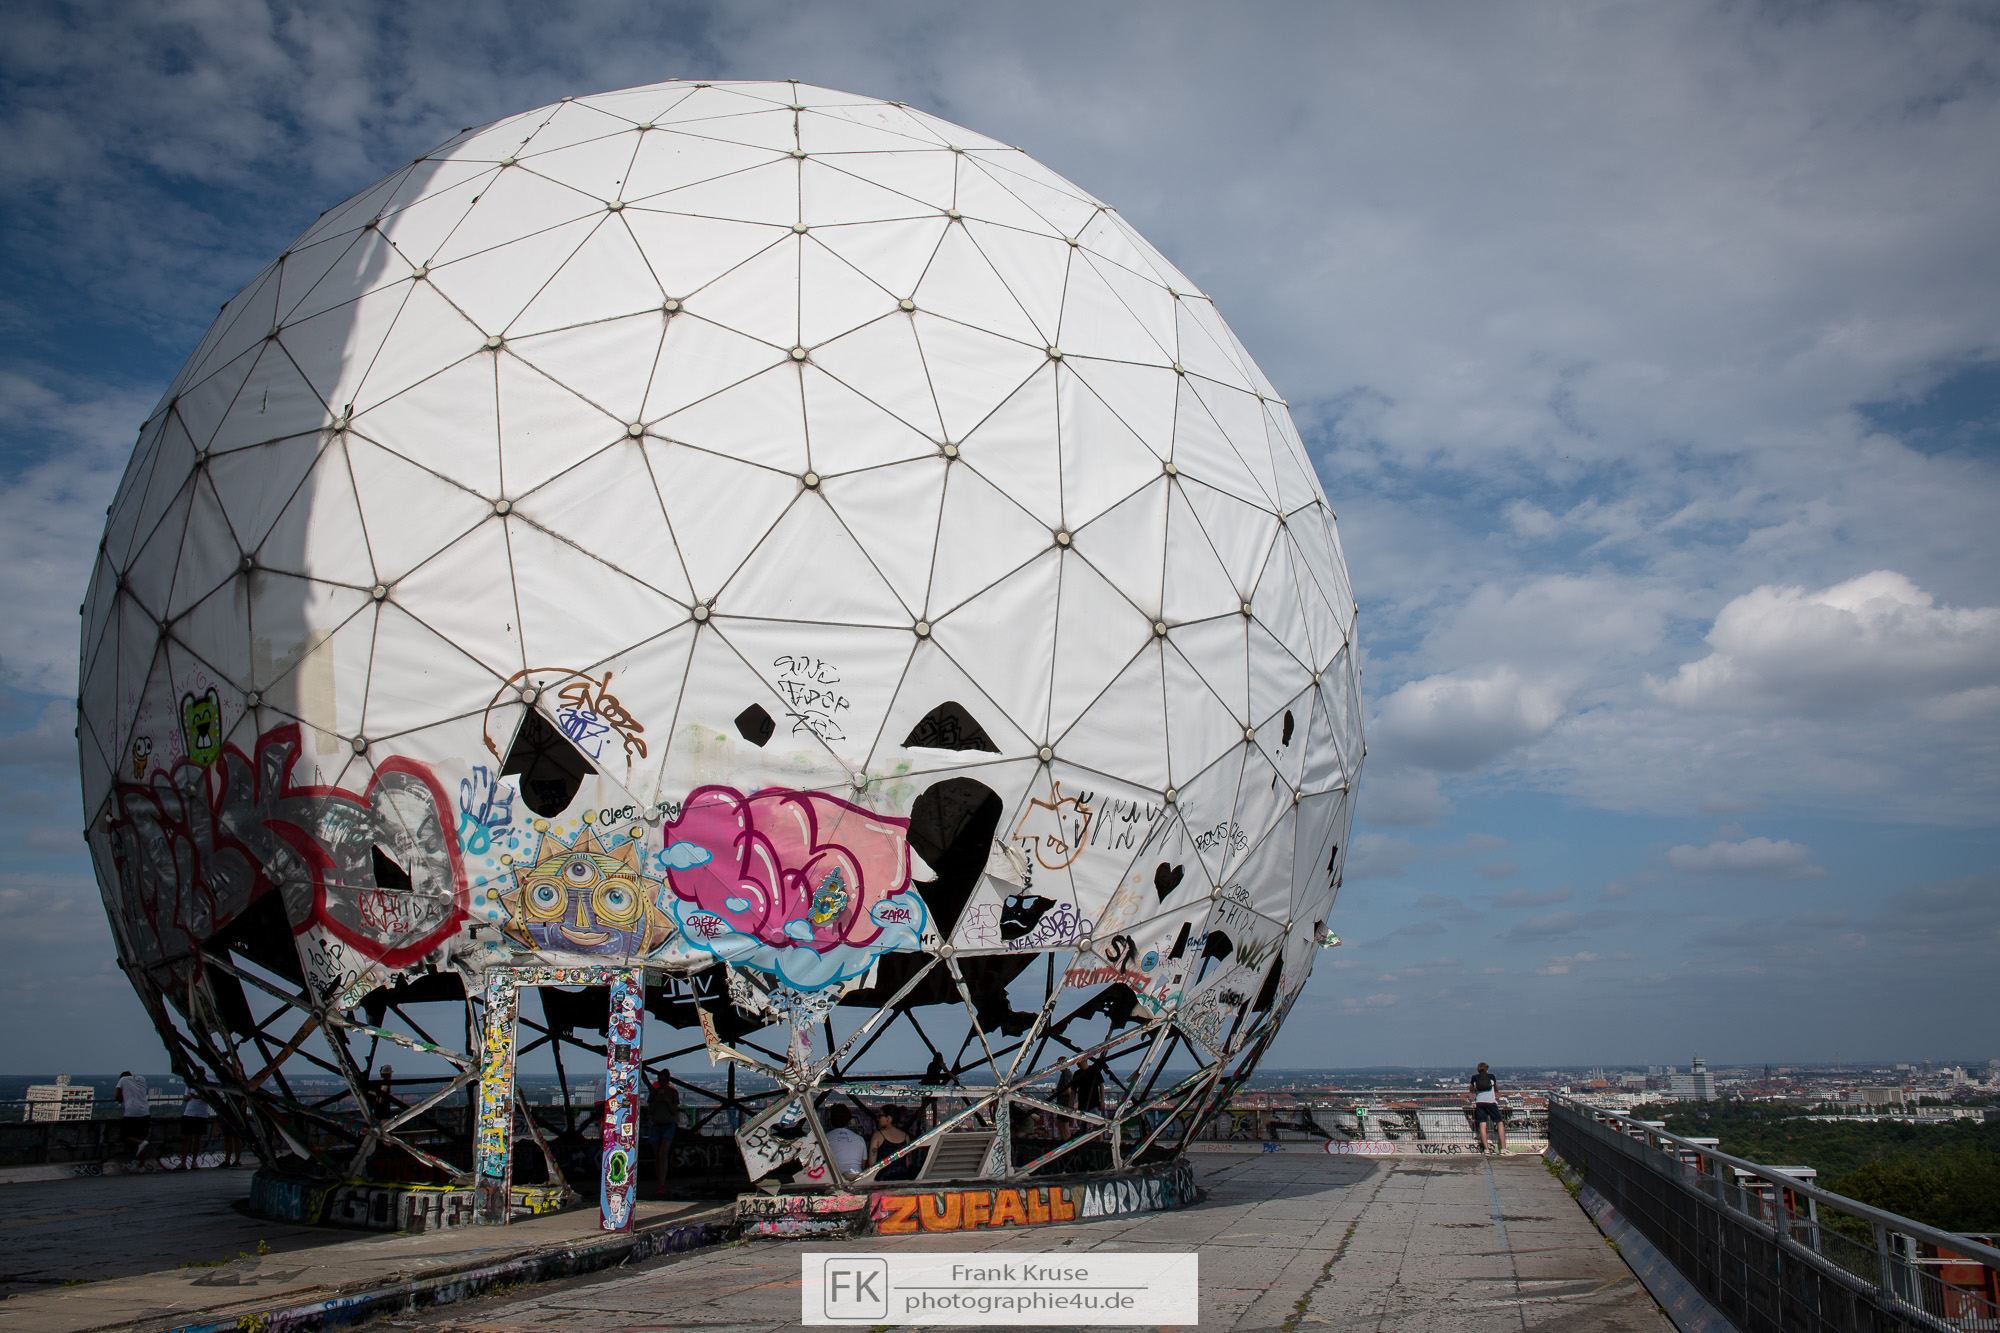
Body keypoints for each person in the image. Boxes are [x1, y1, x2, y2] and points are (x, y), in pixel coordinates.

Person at [647, 1076, 680, 1199]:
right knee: (657, 1156)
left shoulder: (673, 1092)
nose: (662, 1083)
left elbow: (674, 1111)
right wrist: (656, 1100)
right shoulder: (654, 1093)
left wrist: (666, 1100)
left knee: (662, 1154)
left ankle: (662, 1183)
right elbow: (650, 1110)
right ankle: (660, 1182)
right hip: (656, 1125)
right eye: (660, 1080)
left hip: (668, 1125)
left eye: (664, 1080)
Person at [115, 1071, 152, 1165]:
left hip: (131, 1113)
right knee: (144, 1139)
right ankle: (141, 1166)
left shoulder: (123, 1080)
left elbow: (116, 1096)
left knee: (124, 1136)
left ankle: (139, 1143)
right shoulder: (142, 1079)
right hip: (145, 1112)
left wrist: (122, 1098)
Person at [1469, 1062, 1505, 1154]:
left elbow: (1471, 1090)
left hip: (1479, 1102)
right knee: (1499, 1123)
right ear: (1487, 1069)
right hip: (1490, 1102)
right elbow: (1496, 1088)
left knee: (1482, 1124)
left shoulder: (1474, 1077)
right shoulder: (1491, 1077)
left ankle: (1486, 1149)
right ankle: (1503, 1148)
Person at [823, 1104, 868, 1178]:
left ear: (831, 1120)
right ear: (849, 1119)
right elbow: (863, 1166)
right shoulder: (860, 1139)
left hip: (833, 1178)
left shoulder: (824, 1138)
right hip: (855, 1178)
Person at [179, 1087, 212, 1170]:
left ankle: (194, 1161)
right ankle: (183, 1162)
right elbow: (185, 1098)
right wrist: (192, 1096)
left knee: (197, 1139)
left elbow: (208, 1098)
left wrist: (193, 1096)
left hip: (201, 1114)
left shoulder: (209, 1084)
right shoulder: (190, 1085)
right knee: (187, 1138)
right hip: (189, 1113)